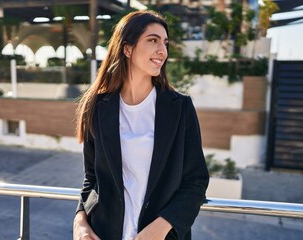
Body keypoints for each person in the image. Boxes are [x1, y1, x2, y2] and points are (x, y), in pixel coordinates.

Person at [73, 10, 209, 240]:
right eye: (153, 40)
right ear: (127, 49)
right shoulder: (98, 105)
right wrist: (80, 221)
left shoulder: (179, 108)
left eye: (165, 43)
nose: (162, 50)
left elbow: (196, 181)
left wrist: (162, 226)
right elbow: (92, 178)